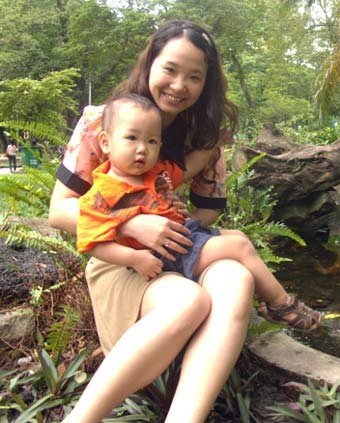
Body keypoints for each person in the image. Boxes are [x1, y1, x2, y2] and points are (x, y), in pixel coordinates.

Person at [48, 20, 312, 423]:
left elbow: (207, 212)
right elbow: (59, 210)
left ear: (206, 83)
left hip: (176, 249)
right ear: (150, 63)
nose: (178, 85)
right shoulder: (106, 123)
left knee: (235, 277)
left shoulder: (203, 138)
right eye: (170, 69)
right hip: (120, 259)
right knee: (190, 298)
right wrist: (133, 224)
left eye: (194, 76)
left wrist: (171, 216)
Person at [77, 92, 321, 331]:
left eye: (151, 141)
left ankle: (266, 302)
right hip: (165, 252)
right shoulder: (103, 191)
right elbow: (91, 242)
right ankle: (281, 305)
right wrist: (134, 258)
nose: (142, 149)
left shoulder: (154, 172)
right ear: (105, 142)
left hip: (183, 237)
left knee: (238, 237)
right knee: (239, 247)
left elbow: (190, 167)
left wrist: (215, 143)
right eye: (131, 138)